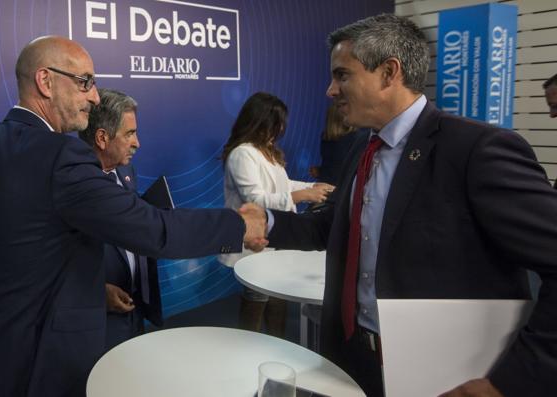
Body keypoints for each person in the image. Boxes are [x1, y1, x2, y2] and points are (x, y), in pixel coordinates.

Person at [255, 14, 556, 397]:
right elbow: (334, 225)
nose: (331, 90)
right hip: (353, 355)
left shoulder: (476, 150)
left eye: (342, 75)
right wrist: (265, 221)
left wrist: (508, 383)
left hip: (444, 373)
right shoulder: (363, 147)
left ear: (388, 72)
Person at [0, 36, 266, 397]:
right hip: (40, 361)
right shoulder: (61, 156)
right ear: (45, 81)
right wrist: (239, 225)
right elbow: (155, 230)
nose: (94, 96)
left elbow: (11, 245)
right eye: (85, 81)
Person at [219, 92, 334, 336]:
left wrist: (312, 188)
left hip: (275, 236)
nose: (281, 128)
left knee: (277, 294)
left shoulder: (266, 151)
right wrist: (301, 196)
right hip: (255, 239)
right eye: (277, 123)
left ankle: (276, 343)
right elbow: (255, 200)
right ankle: (248, 347)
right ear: (261, 122)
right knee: (258, 296)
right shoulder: (242, 154)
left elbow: (283, 184)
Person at [77, 88, 162, 351]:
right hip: (96, 322)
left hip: (134, 309)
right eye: (129, 134)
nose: (137, 143)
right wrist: (96, 292)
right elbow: (52, 260)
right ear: (102, 138)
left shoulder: (126, 171)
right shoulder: (72, 185)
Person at [309, 104, 360, 185]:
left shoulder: (352, 139)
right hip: (333, 189)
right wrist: (321, 171)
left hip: (332, 189)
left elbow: (336, 170)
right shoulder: (355, 138)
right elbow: (334, 166)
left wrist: (320, 172)